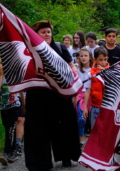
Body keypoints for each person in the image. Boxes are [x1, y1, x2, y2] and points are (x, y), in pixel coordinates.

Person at [25, 20, 80, 170]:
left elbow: (71, 66)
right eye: (43, 32)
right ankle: (41, 162)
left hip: (59, 95)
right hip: (37, 95)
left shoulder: (61, 48)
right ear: (36, 35)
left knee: (64, 125)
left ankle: (66, 156)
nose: (47, 34)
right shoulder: (29, 50)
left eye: (48, 32)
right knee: (38, 129)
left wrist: (73, 82)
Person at [0, 54, 22, 166]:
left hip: (14, 105)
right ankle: (13, 150)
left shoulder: (12, 75)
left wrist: (23, 105)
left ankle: (6, 153)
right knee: (7, 128)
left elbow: (20, 91)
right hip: (3, 106)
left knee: (10, 128)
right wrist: (0, 76)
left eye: (1, 63)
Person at [83, 46, 110, 128]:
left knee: (106, 131)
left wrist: (105, 73)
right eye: (100, 60)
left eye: (105, 59)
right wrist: (85, 108)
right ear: (95, 60)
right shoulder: (91, 74)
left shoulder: (111, 71)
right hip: (95, 106)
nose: (103, 62)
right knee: (95, 131)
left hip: (108, 106)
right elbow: (87, 91)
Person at [74, 48, 93, 148]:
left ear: (90, 57)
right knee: (81, 119)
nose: (83, 58)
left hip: (91, 95)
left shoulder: (93, 70)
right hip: (80, 95)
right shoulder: (77, 71)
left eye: (85, 55)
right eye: (81, 56)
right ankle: (81, 141)